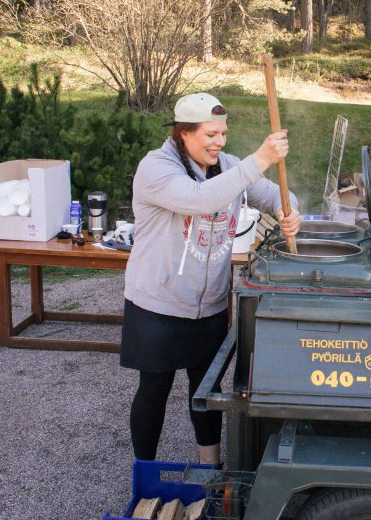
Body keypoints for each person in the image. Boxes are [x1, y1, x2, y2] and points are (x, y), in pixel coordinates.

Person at [120, 92, 300, 466]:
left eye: (223, 134)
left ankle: (210, 469)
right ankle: (145, 474)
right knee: (154, 389)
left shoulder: (227, 166)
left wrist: (289, 210)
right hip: (158, 302)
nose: (219, 142)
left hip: (210, 305)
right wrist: (260, 159)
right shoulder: (156, 168)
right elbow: (199, 199)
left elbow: (275, 195)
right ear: (184, 133)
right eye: (210, 134)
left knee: (206, 391)